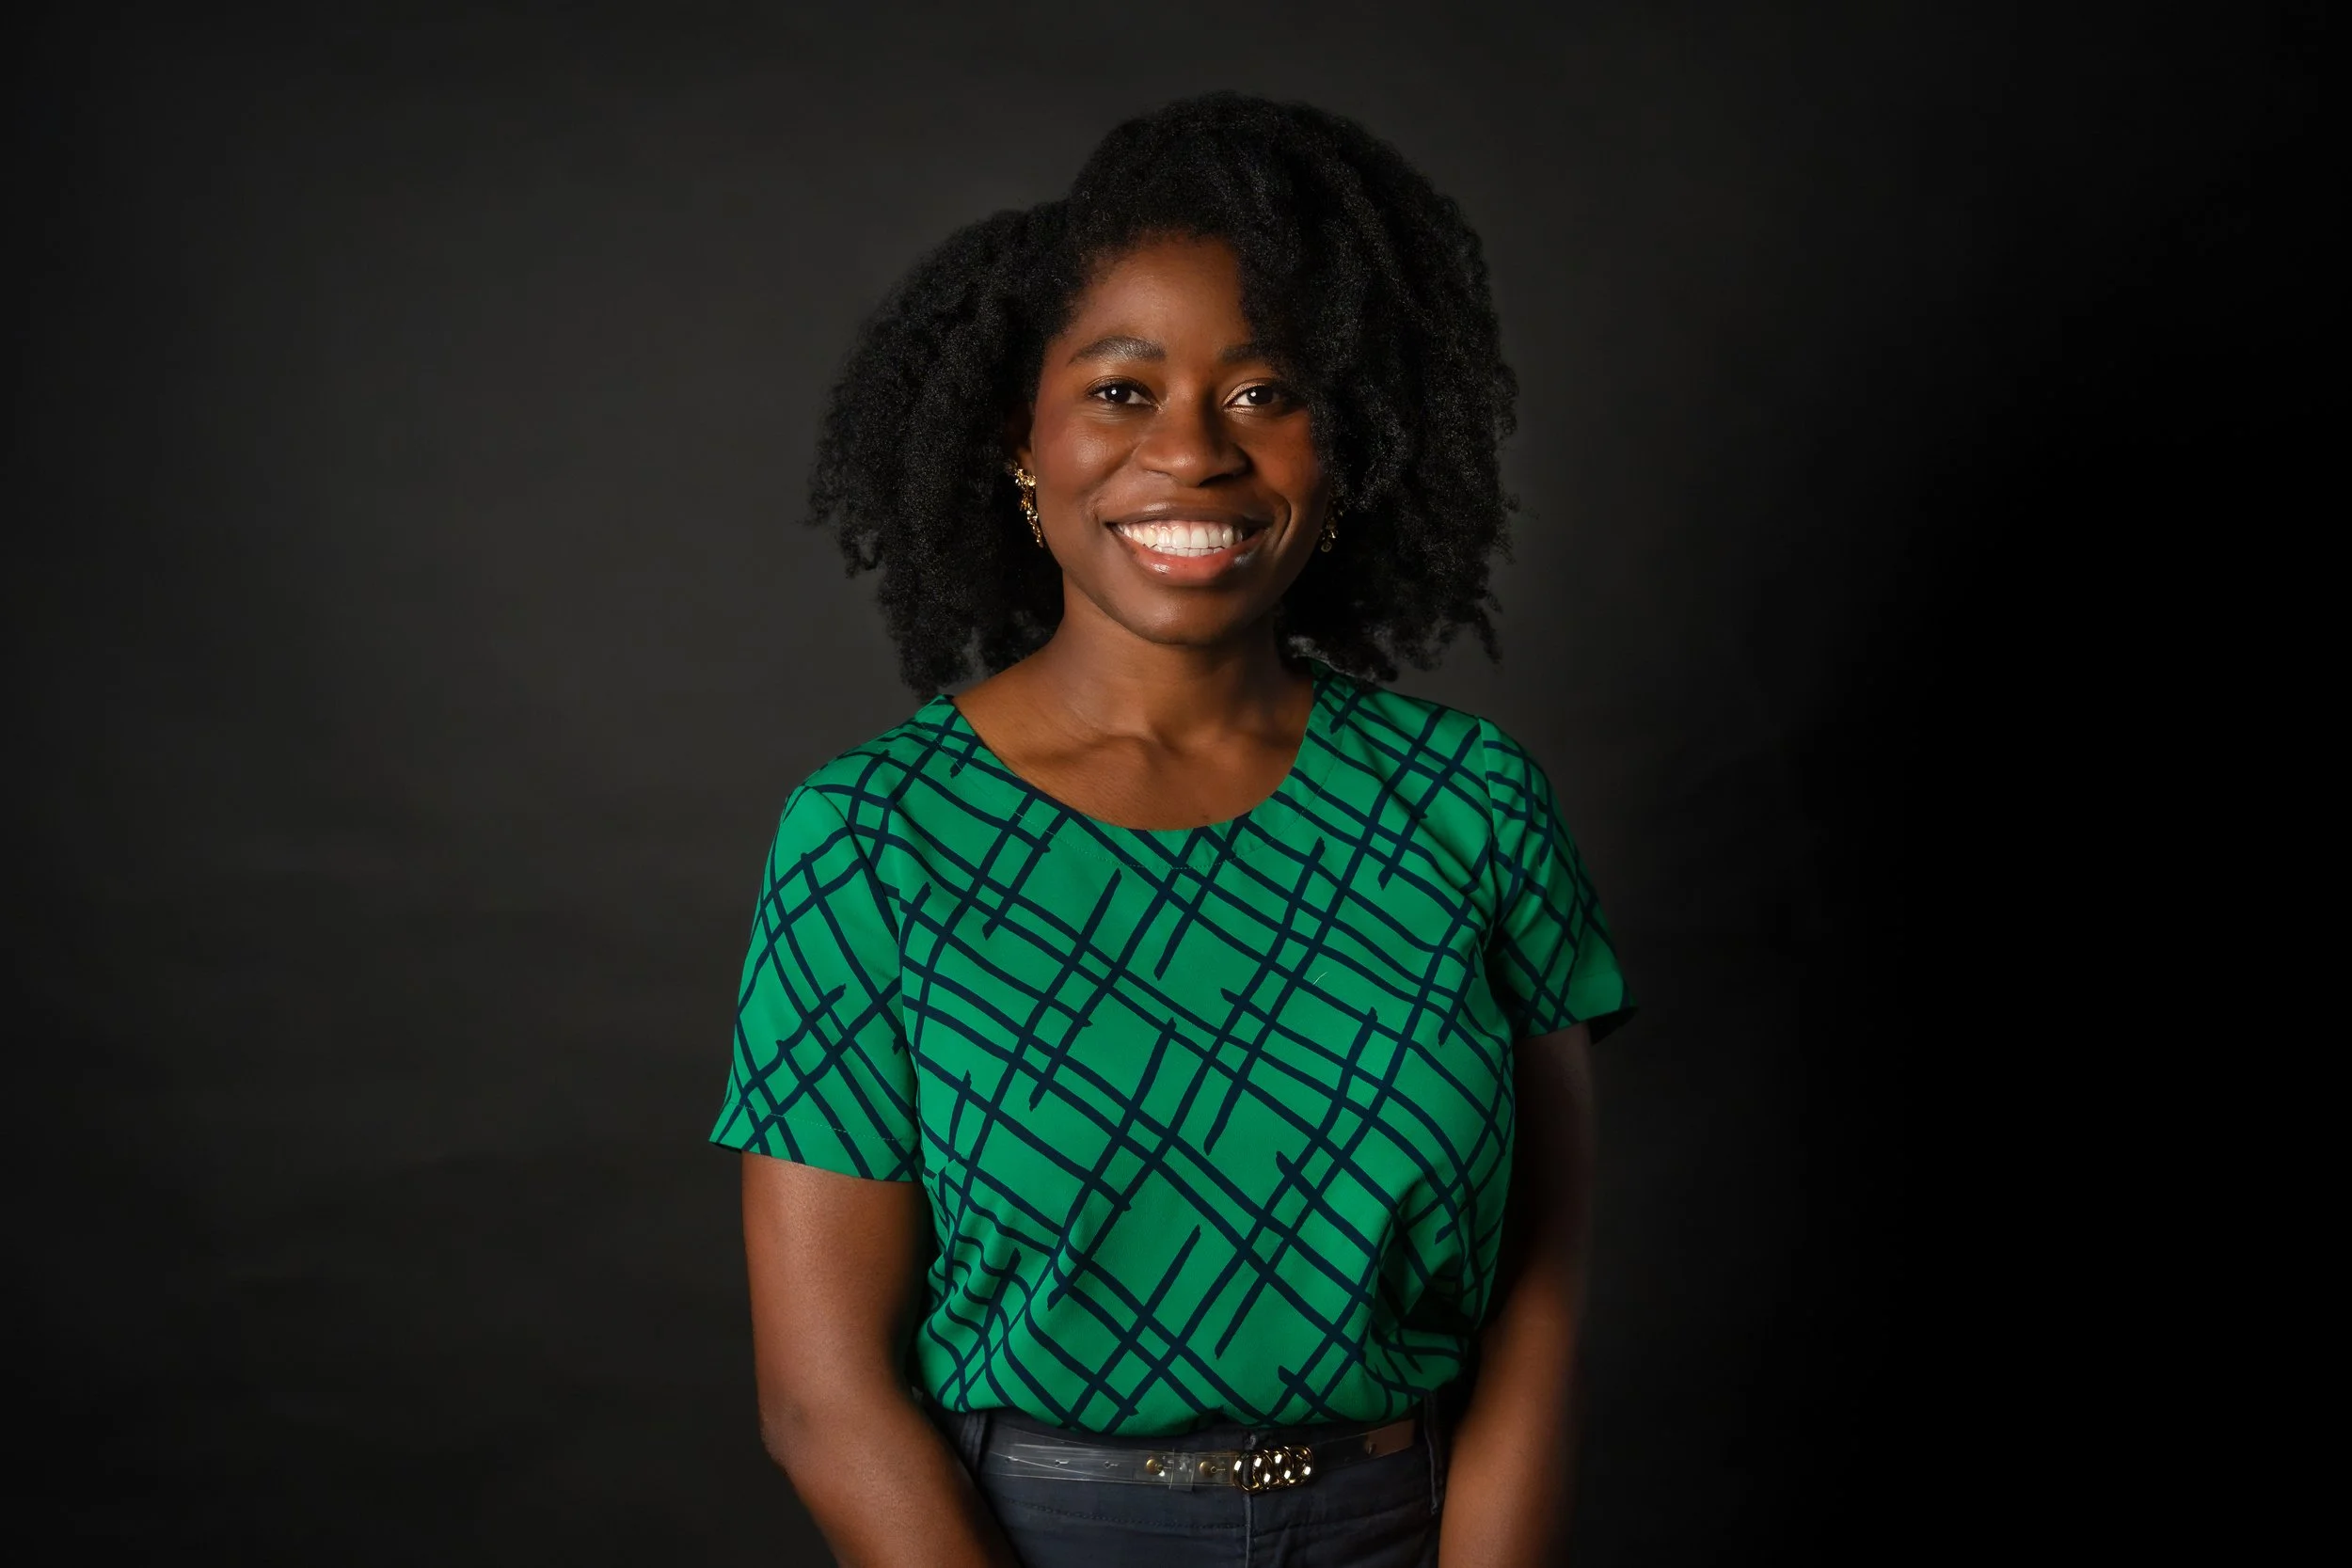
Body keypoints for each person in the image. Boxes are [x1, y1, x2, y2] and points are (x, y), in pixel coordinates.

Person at [709, 91, 1634, 1568]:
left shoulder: (1473, 806)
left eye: (1267, 392)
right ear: (1022, 439)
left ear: (1345, 452)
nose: (1196, 450)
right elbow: (822, 1398)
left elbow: (1539, 1300)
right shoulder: (871, 836)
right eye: (1123, 391)